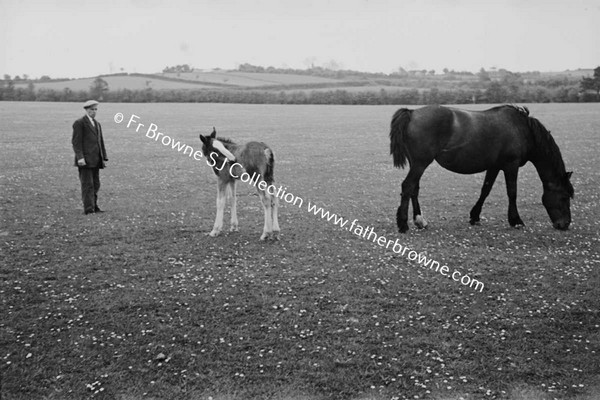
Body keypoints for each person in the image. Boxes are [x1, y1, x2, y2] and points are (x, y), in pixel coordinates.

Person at [71, 100, 108, 214]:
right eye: (92, 109)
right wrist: (80, 157)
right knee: (88, 185)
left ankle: (94, 206)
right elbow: (76, 142)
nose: (94, 111)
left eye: (95, 109)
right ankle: (88, 209)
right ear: (86, 110)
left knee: (96, 184)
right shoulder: (79, 123)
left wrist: (104, 157)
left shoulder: (97, 124)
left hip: (96, 160)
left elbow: (100, 142)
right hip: (85, 160)